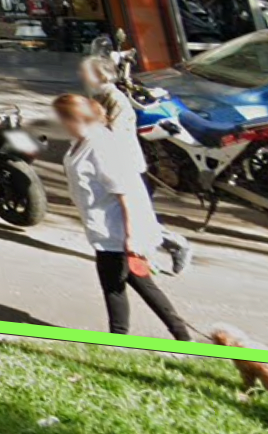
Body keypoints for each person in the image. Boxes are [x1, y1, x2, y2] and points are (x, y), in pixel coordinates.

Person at [54, 92, 193, 339]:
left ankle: (125, 338)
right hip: (106, 230)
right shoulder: (83, 141)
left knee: (115, 286)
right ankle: (179, 336)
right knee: (136, 284)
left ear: (74, 118)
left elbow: (125, 192)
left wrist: (131, 237)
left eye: (62, 118)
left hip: (117, 231)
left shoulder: (100, 145)